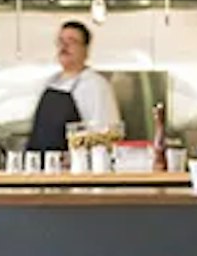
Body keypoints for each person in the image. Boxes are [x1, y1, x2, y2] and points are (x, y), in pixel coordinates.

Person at [21, 18, 122, 156]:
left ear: (85, 50)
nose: (64, 46)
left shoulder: (96, 85)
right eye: (61, 41)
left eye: (72, 41)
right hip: (42, 166)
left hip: (75, 167)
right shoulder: (51, 82)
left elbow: (107, 137)